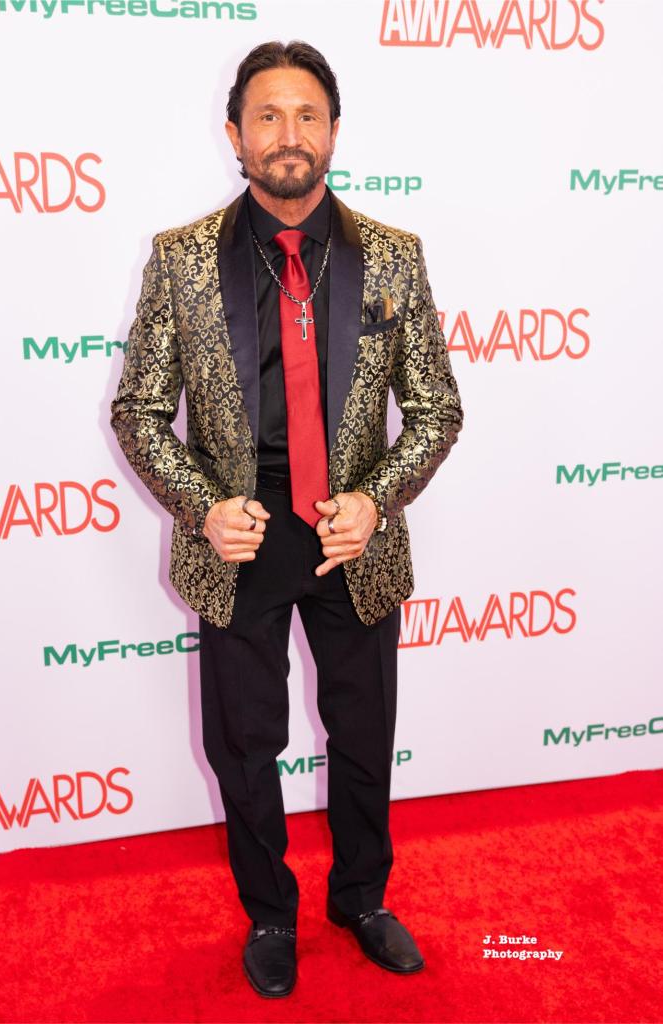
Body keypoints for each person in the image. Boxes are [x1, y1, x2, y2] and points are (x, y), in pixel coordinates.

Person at [110, 39, 464, 998]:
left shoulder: (393, 256)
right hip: (240, 539)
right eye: (267, 116)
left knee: (364, 732)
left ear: (335, 132)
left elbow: (438, 409)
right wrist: (203, 508)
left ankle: (362, 898)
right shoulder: (182, 259)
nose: (288, 134)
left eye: (308, 115)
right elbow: (138, 411)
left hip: (354, 535)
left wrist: (376, 499)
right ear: (235, 135)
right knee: (245, 743)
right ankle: (270, 912)